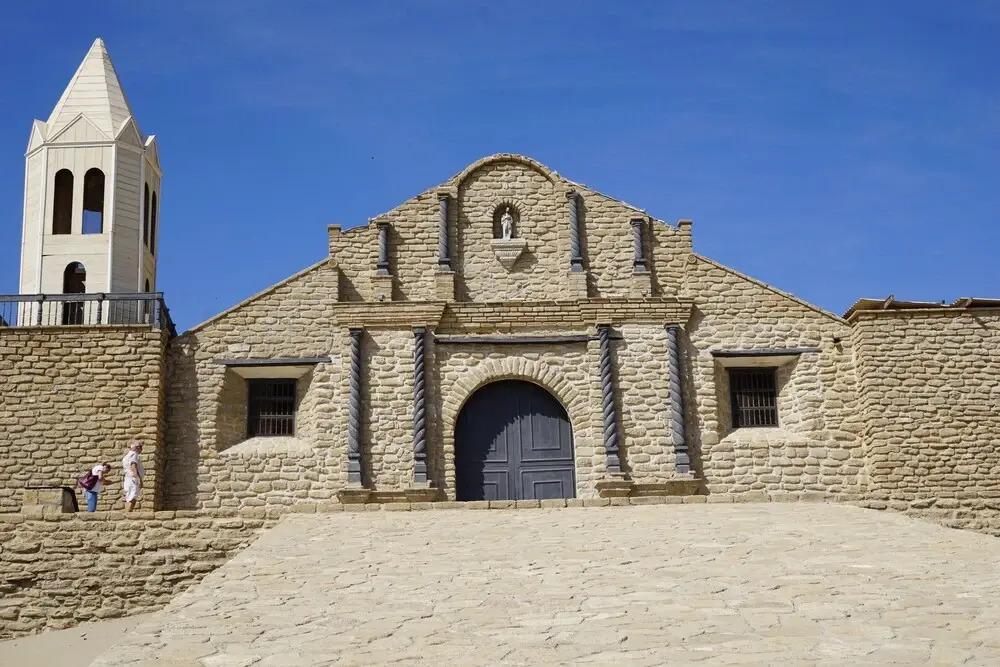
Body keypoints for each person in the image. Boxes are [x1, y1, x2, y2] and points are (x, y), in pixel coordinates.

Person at [122, 441, 145, 512]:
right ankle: (128, 513)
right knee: (132, 496)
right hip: (132, 478)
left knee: (129, 496)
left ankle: (127, 513)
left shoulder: (127, 456)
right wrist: (138, 478)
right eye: (141, 447)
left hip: (128, 478)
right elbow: (133, 466)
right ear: (137, 448)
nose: (141, 449)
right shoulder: (134, 454)